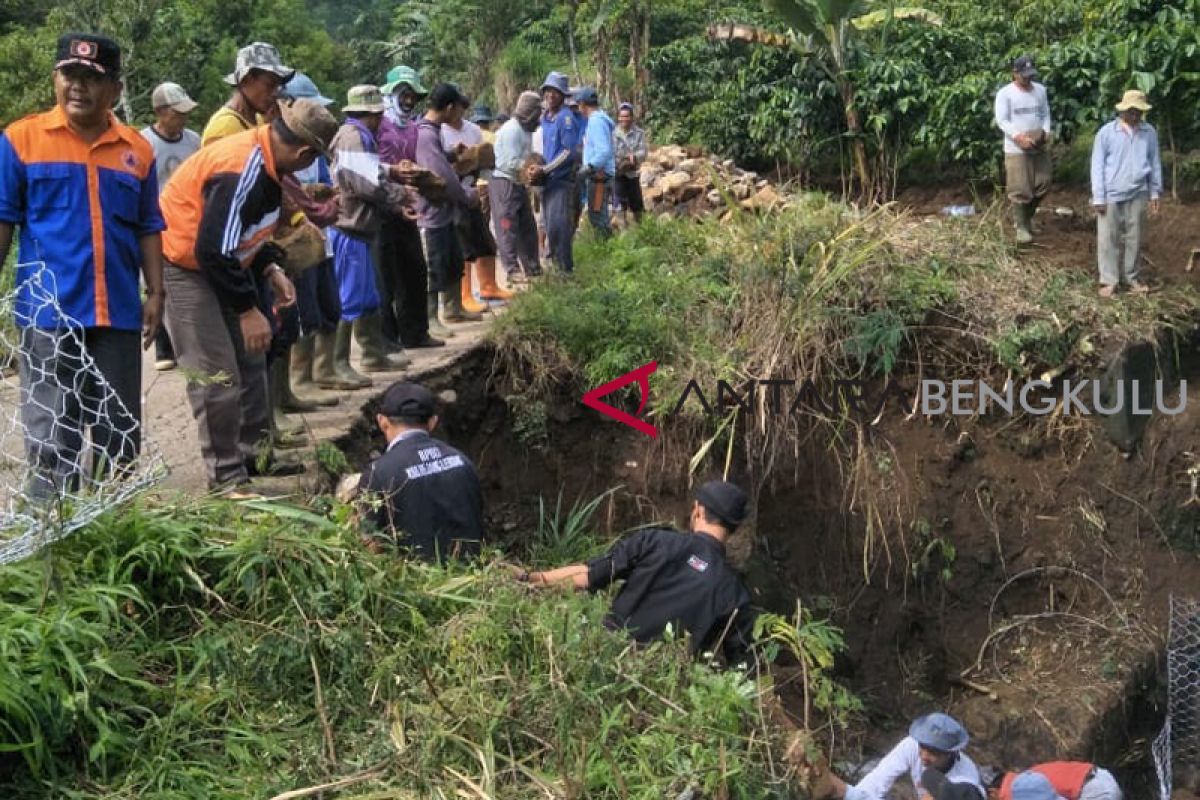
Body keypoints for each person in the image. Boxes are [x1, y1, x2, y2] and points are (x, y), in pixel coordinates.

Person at [0, 33, 165, 498]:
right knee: (53, 438)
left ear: (113, 87)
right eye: (69, 75)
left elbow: (149, 225)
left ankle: (112, 533)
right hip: (48, 316)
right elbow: (4, 219)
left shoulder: (137, 150)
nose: (78, 86)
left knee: (119, 435)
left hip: (116, 313)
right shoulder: (21, 140)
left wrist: (157, 293)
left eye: (92, 78)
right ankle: (53, 546)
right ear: (55, 78)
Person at [158, 98, 338, 493]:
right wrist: (245, 309)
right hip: (188, 267)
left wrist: (269, 268)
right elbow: (211, 248)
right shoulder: (242, 168)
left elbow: (243, 233)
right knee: (216, 372)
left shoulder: (271, 167)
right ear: (306, 154)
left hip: (226, 264)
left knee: (252, 358)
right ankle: (225, 476)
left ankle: (255, 457)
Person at [519, 480, 758, 663]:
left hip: (605, 658)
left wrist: (528, 579)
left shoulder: (656, 542)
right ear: (734, 530)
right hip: (665, 691)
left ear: (697, 511)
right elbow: (742, 667)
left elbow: (589, 575)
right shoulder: (736, 594)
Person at [328, 85, 413, 387]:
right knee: (349, 298)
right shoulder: (354, 138)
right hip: (349, 227)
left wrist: (391, 172)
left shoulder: (355, 135)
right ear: (373, 114)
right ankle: (336, 363)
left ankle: (372, 353)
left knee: (366, 295)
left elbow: (369, 171)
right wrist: (401, 195)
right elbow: (366, 183)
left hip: (361, 228)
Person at [357, 381, 484, 562]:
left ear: (382, 421)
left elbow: (370, 546)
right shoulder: (463, 462)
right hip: (474, 577)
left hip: (415, 584)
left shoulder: (378, 473)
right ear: (432, 422)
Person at [278, 71, 345, 401]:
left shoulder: (315, 154)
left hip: (323, 241)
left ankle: (325, 369)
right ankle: (300, 379)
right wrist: (327, 208)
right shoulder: (279, 152)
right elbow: (292, 199)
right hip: (299, 243)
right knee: (303, 312)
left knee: (329, 306)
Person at [377, 64, 445, 347]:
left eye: (412, 97)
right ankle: (386, 341)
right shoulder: (378, 123)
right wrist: (394, 193)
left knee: (415, 269)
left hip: (407, 204)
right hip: (381, 205)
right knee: (385, 276)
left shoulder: (412, 127)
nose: (408, 101)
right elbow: (370, 167)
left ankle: (416, 333)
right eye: (404, 95)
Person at [140, 81, 200, 372]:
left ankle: (189, 343)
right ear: (161, 112)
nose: (182, 118)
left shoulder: (193, 141)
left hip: (187, 222)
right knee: (157, 283)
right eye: (177, 113)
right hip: (156, 222)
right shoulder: (143, 144)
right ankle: (164, 346)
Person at [414, 83, 483, 328]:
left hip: (445, 212)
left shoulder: (432, 132)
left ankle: (455, 308)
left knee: (453, 260)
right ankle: (431, 318)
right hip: (431, 214)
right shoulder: (425, 134)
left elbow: (441, 162)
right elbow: (442, 176)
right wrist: (467, 196)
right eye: (458, 109)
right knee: (435, 266)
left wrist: (452, 154)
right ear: (450, 107)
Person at [1089, 89, 1162, 298]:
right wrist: (1099, 196)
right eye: (1131, 111)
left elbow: (1154, 162)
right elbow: (1097, 166)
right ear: (1123, 111)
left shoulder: (1149, 132)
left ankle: (1131, 278)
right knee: (1108, 238)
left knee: (1134, 238)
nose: (1135, 116)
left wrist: (1155, 192)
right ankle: (1109, 280)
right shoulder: (1106, 133)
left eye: (1138, 112)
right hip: (1112, 193)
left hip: (1138, 192)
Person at [442, 95, 511, 306]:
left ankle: (489, 286)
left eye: (462, 108)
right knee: (463, 246)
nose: (458, 112)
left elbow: (487, 158)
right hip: (452, 192)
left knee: (485, 240)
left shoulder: (473, 130)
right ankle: (464, 295)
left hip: (473, 187)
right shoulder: (440, 131)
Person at [827, 713, 985, 800]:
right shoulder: (913, 745)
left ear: (951, 753)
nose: (923, 756)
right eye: (922, 748)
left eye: (933, 753)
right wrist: (849, 793)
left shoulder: (965, 782)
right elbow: (877, 780)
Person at [994, 55, 1052, 245]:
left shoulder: (1040, 91)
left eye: (1030, 75)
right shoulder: (1005, 94)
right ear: (1015, 73)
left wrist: (1046, 131)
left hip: (1038, 143)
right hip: (1016, 147)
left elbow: (1045, 114)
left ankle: (1026, 219)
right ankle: (1021, 226)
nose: (1028, 78)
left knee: (1043, 183)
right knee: (1020, 187)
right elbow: (1002, 120)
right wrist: (1019, 137)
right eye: (1024, 75)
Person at [490, 92, 543, 284]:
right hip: (504, 182)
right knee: (507, 226)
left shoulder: (527, 130)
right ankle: (512, 269)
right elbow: (508, 162)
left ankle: (532, 266)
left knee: (528, 226)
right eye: (537, 113)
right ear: (530, 112)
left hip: (519, 182)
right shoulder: (512, 130)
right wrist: (527, 167)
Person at [201, 42, 293, 147]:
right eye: (270, 85)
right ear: (246, 79)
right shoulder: (225, 127)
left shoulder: (258, 119)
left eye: (278, 86)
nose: (275, 93)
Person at [538, 71, 582, 273]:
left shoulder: (566, 118)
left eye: (555, 92)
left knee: (560, 226)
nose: (551, 95)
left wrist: (546, 169)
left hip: (561, 181)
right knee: (549, 226)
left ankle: (565, 270)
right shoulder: (546, 119)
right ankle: (555, 266)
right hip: (546, 181)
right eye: (548, 91)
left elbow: (568, 152)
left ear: (563, 95)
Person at [574, 87, 615, 240]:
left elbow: (603, 151)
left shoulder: (596, 121)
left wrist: (588, 168)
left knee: (598, 217)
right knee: (597, 215)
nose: (578, 109)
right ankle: (607, 248)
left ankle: (607, 250)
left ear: (583, 104)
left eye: (579, 105)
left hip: (599, 177)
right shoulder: (599, 120)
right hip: (600, 176)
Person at [989, 762, 1123, 800]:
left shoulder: (1011, 792)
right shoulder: (1032, 776)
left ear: (993, 792)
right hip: (1102, 779)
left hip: (1095, 792)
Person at [613, 102, 648, 223]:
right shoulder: (612, 134)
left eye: (627, 116)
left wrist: (635, 157)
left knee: (637, 206)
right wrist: (622, 160)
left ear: (632, 117)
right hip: (618, 175)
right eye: (622, 116)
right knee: (619, 207)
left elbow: (644, 153)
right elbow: (608, 154)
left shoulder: (639, 133)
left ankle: (642, 232)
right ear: (618, 117)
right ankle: (623, 236)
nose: (624, 119)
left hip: (633, 175)